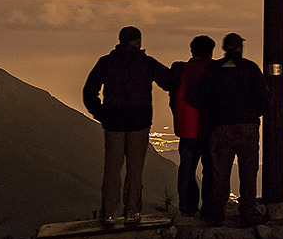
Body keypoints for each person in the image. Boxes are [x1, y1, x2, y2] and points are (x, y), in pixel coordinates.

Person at [82, 25, 176, 225]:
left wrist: (101, 113)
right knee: (135, 168)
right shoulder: (145, 62)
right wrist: (180, 70)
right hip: (139, 123)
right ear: (139, 41)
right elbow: (168, 82)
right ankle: (131, 212)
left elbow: (89, 91)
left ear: (120, 41)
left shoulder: (106, 62)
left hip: (113, 122)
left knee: (112, 168)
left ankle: (108, 213)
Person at [194, 32, 267, 227]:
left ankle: (217, 214)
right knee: (249, 171)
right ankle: (248, 213)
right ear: (240, 48)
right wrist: (253, 115)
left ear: (224, 48)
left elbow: (202, 98)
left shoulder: (214, 70)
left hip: (221, 128)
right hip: (247, 127)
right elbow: (263, 98)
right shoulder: (250, 68)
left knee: (220, 173)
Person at [168, 35, 216, 217]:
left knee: (187, 168)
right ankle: (209, 207)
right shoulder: (213, 70)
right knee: (210, 169)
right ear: (210, 52)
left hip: (186, 128)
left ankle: (188, 207)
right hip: (208, 127)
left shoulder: (182, 70)